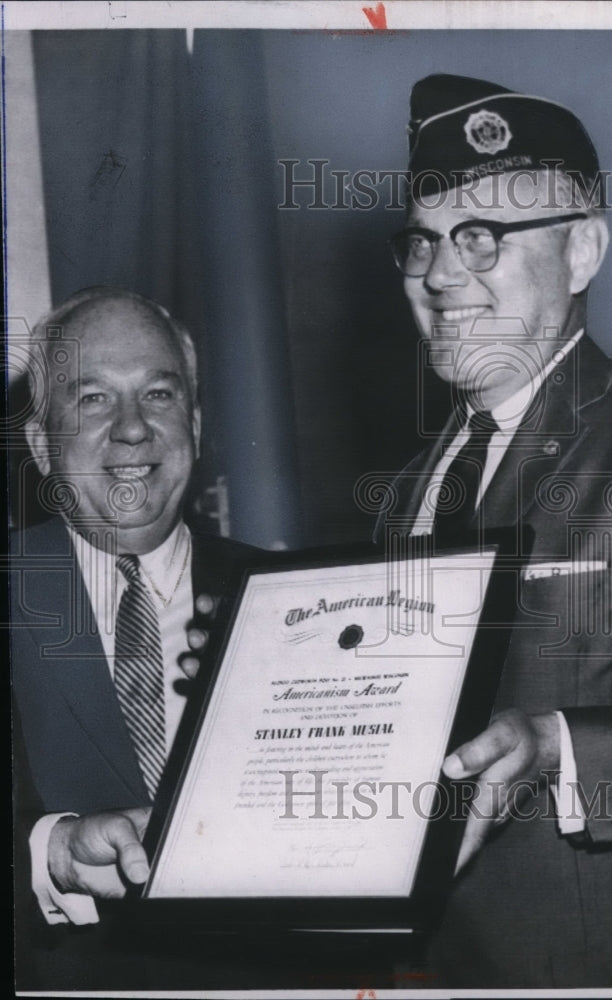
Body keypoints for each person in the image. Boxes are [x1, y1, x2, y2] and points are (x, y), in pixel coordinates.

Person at [373, 74, 612, 987]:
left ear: (581, 252)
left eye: (482, 239)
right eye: (421, 242)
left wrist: (557, 748)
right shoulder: (411, 489)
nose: (438, 274)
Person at [9, 287, 258, 989]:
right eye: (92, 400)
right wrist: (51, 850)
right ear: (41, 444)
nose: (131, 429)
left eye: (158, 394)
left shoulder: (288, 596)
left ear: (196, 425)